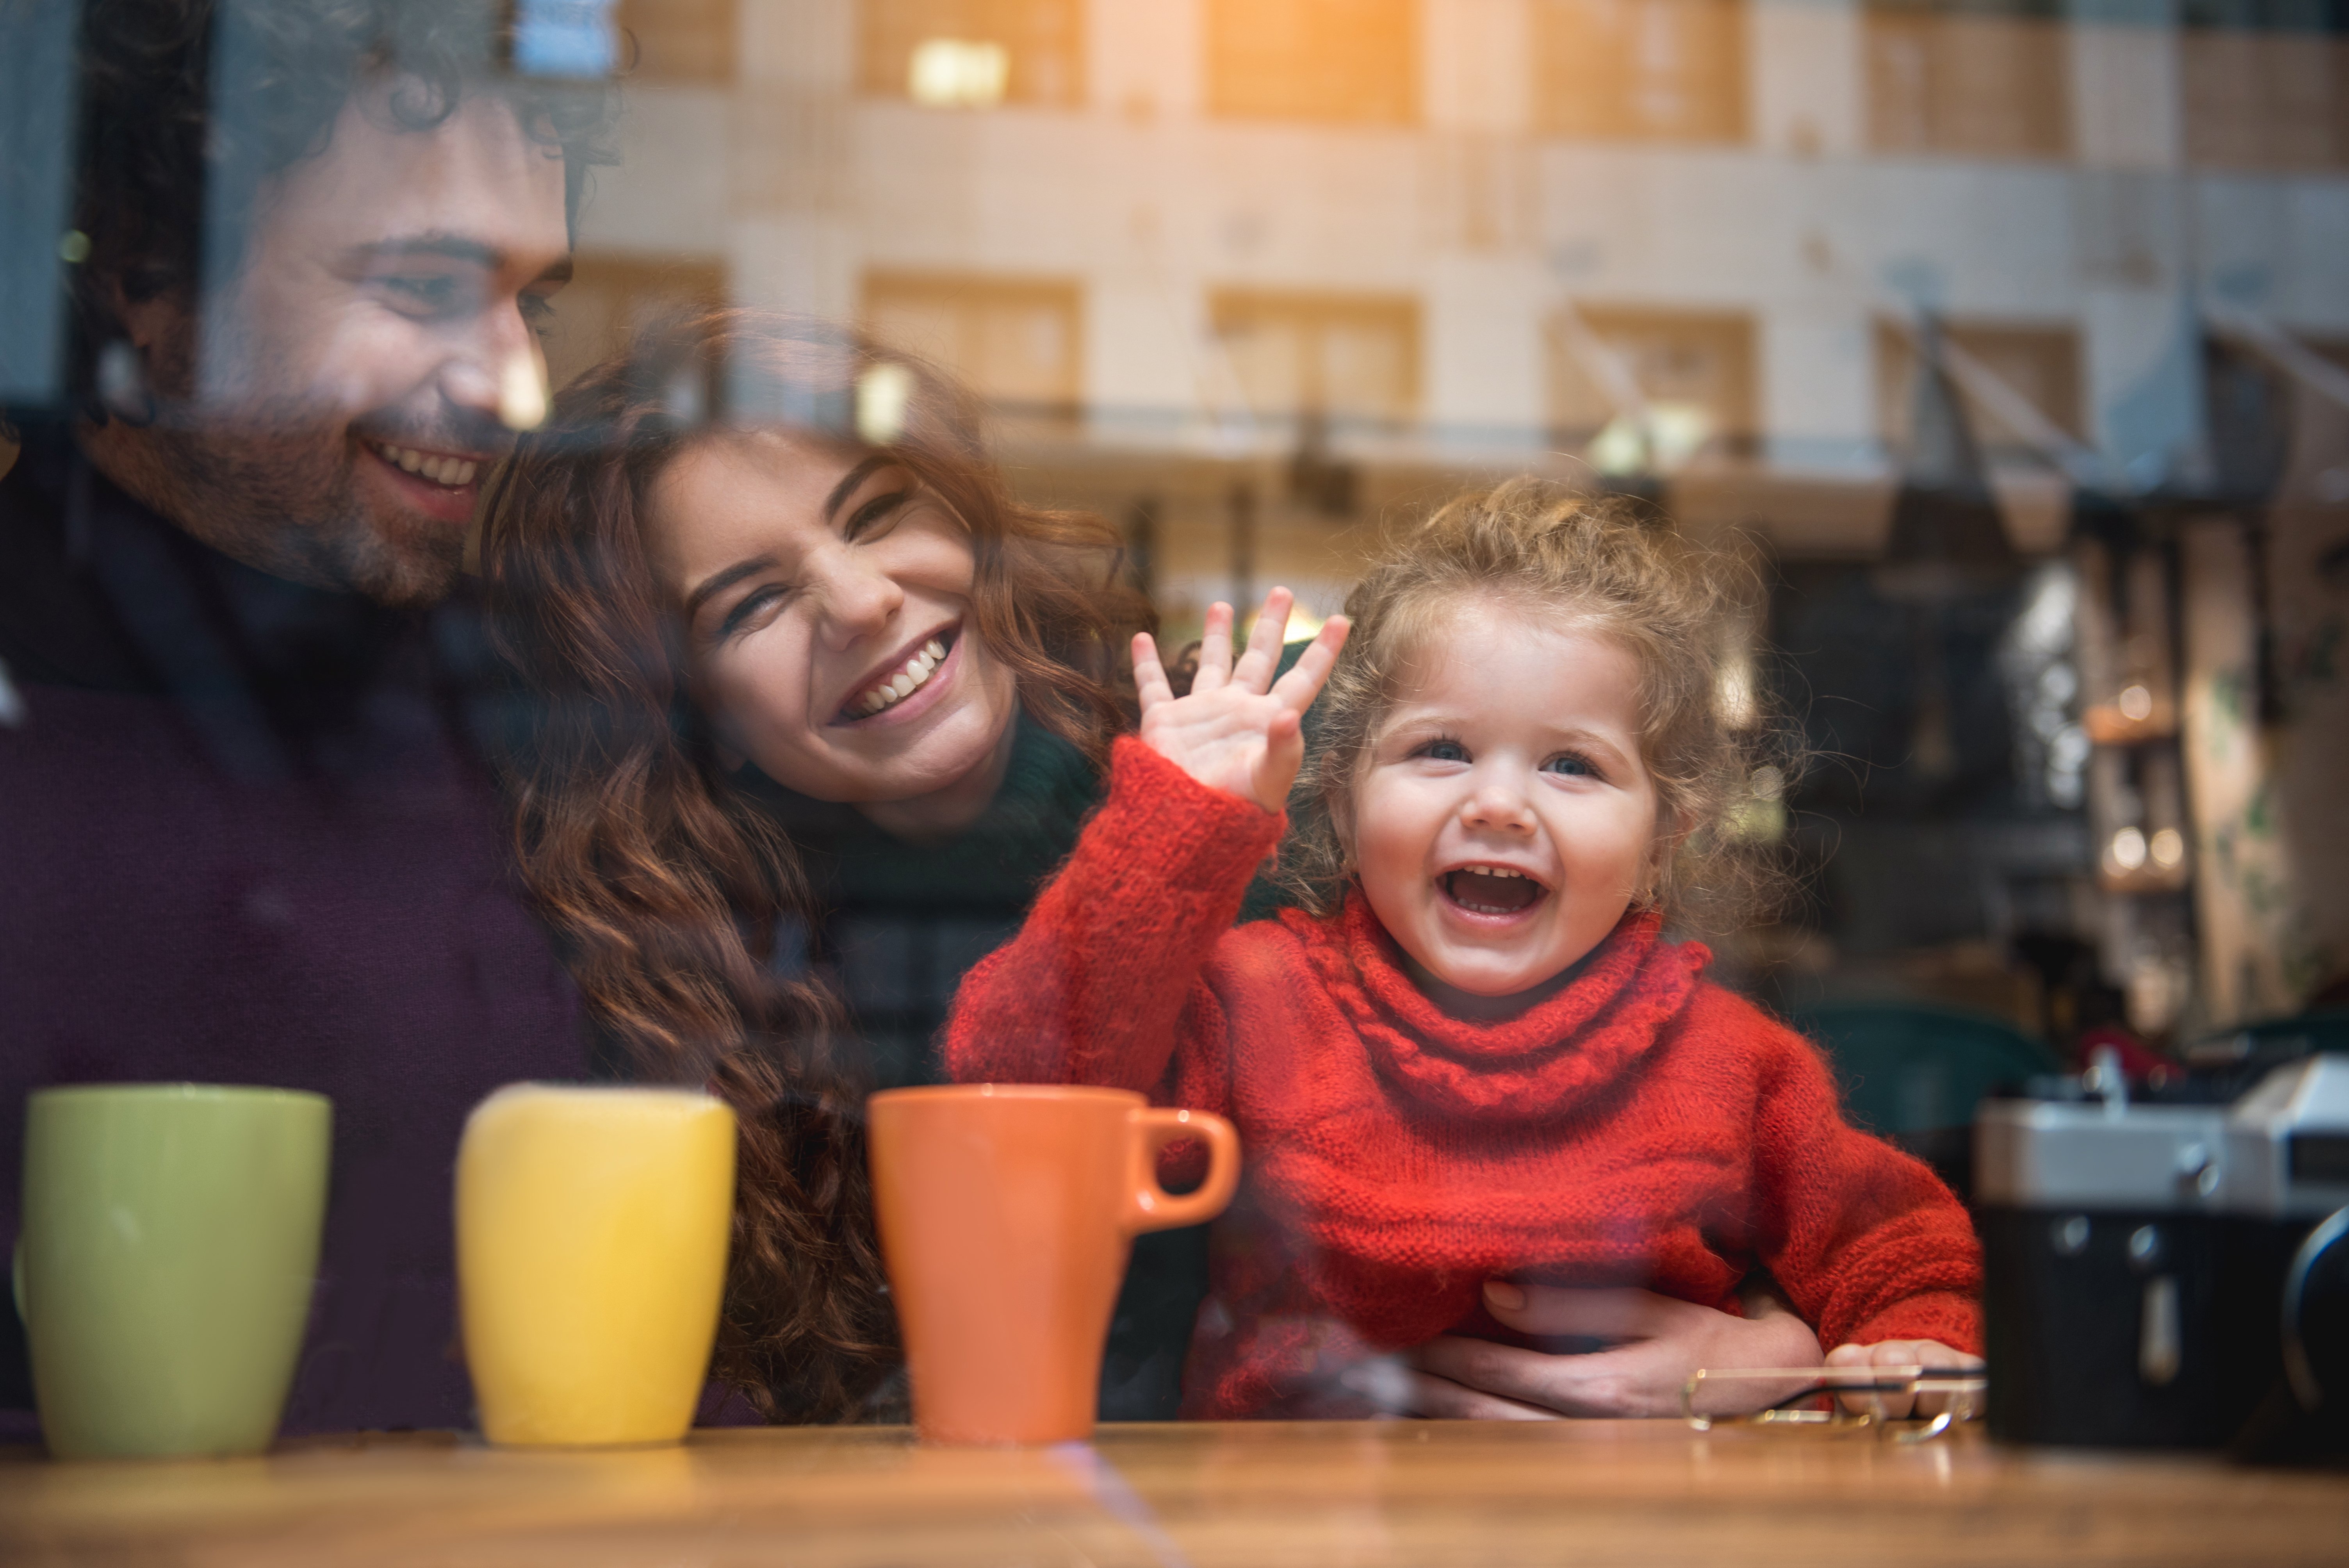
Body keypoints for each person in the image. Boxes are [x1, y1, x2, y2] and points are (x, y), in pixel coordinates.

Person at [482, 309, 1822, 1422]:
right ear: (688, 704)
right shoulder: (704, 975)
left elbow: (1609, 1151)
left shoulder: (1278, 798)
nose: (860, 599)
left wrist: (1773, 1345)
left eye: (879, 515)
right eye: (753, 602)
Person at [943, 481, 1986, 1419]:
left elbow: (1904, 1257)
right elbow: (1019, 1085)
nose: (1497, 804)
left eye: (1572, 765)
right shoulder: (1257, 995)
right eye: (1440, 750)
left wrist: (1889, 1362)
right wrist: (1169, 830)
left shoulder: (1736, 1064)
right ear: (1343, 807)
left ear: (1663, 835)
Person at [0, 0, 613, 1435]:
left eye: (536, 298)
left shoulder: (546, 717)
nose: (514, 380)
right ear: (146, 286)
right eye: (419, 287)